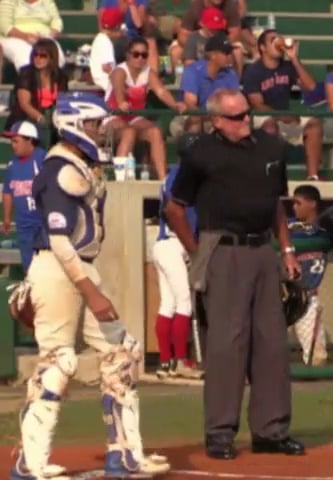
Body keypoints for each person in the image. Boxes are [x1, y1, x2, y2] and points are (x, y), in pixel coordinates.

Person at [10, 93, 169, 479]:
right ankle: (30, 461)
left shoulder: (79, 164)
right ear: (74, 125)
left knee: (121, 352)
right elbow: (60, 238)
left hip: (79, 266)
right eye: (95, 124)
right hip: (57, 266)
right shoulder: (58, 169)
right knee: (58, 361)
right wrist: (92, 291)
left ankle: (124, 454)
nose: (101, 131)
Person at [164, 87, 304, 460]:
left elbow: (277, 204)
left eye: (247, 113)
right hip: (221, 249)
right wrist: (197, 252)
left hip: (263, 251)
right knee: (227, 345)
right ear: (216, 120)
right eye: (237, 116)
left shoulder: (272, 149)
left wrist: (286, 249)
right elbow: (175, 209)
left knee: (272, 344)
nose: (247, 121)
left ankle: (271, 431)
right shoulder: (199, 154)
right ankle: (220, 433)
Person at [153, 134, 203, 380]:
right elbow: (175, 211)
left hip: (168, 244)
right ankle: (180, 360)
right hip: (173, 243)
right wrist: (192, 245)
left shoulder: (177, 173)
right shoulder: (180, 175)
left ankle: (166, 363)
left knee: (169, 304)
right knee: (183, 302)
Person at [243, 29, 324, 180]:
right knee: (270, 126)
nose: (278, 41)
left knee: (314, 124)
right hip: (262, 118)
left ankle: (313, 176)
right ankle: (269, 177)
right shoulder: (253, 71)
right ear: (263, 47)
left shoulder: (287, 66)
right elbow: (257, 104)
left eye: (279, 38)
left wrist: (293, 58)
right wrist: (282, 116)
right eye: (273, 39)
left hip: (285, 117)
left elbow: (311, 87)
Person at [105, 37, 184, 179]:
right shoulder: (119, 71)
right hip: (113, 115)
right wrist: (121, 102)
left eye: (144, 55)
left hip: (134, 116)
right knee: (128, 132)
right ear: (128, 55)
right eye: (136, 54)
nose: (140, 58)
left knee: (155, 131)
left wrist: (175, 104)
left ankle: (162, 179)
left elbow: (161, 91)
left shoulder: (148, 72)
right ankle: (120, 177)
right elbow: (118, 89)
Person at [288, 185, 330, 366]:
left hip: (308, 297)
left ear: (312, 204)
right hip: (281, 296)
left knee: (317, 358)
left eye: (298, 203)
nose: (294, 207)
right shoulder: (287, 227)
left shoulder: (326, 229)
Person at [174, 31, 239, 135]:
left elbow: (234, 102)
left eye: (230, 52)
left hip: (218, 118)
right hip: (188, 117)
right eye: (226, 53)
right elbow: (191, 105)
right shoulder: (193, 71)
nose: (230, 56)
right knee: (195, 121)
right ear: (212, 55)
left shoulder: (230, 73)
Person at [2, 121, 46, 272]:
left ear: (30, 141)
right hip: (24, 225)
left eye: (16, 141)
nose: (13, 145)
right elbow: (8, 191)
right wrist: (7, 217)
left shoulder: (42, 159)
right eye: (12, 141)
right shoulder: (12, 165)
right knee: (29, 267)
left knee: (46, 266)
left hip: (43, 222)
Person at [5, 39, 68, 138]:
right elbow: (25, 104)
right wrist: (40, 119)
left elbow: (63, 101)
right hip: (27, 119)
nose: (38, 59)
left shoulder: (60, 76)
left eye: (43, 56)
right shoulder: (26, 73)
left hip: (53, 118)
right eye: (35, 55)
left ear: (52, 57)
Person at [0, 0, 65, 74]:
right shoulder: (8, 1)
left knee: (54, 52)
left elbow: (56, 20)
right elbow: (4, 26)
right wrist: (26, 36)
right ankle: (30, 82)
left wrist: (51, 34)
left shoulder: (47, 1)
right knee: (26, 56)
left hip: (44, 36)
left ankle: (52, 82)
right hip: (14, 37)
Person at [89, 7, 125, 92]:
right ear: (116, 27)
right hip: (105, 85)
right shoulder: (105, 42)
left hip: (103, 83)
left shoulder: (101, 38)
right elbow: (106, 67)